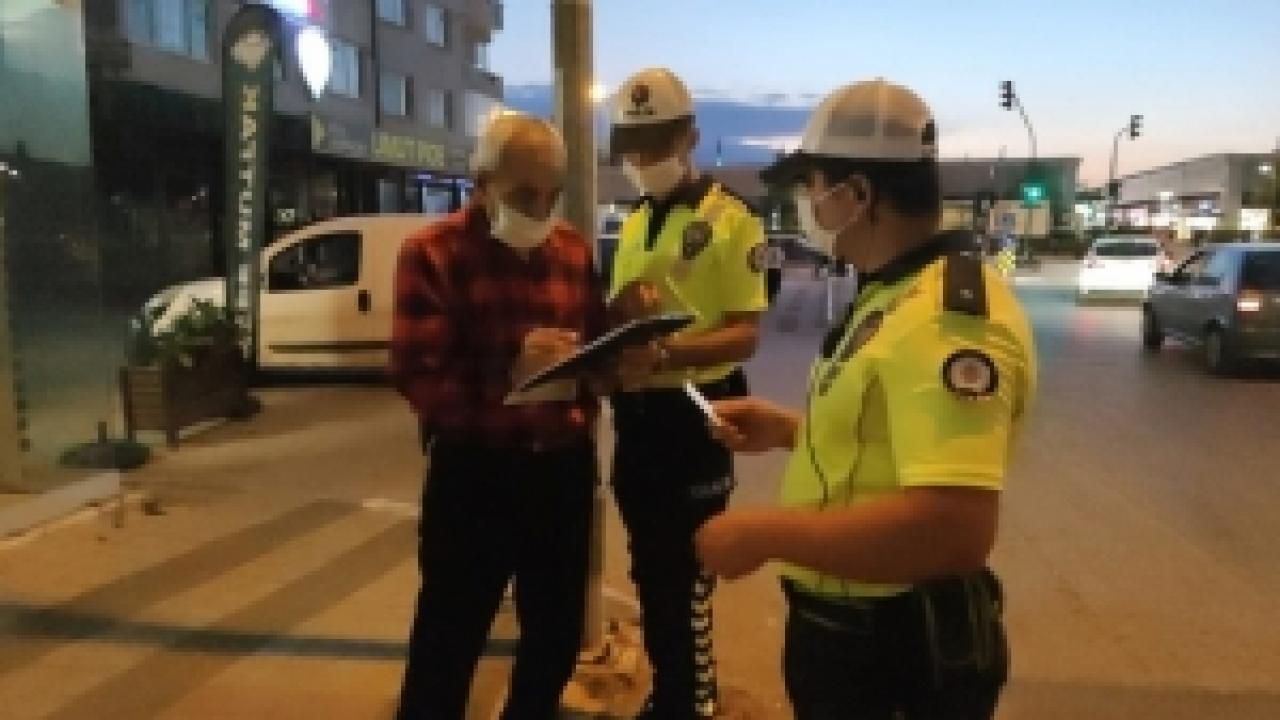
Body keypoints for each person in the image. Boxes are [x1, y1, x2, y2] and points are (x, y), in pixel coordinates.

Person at [694, 79, 1038, 719]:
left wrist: (764, 534)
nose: (804, 203)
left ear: (857, 195)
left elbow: (952, 530)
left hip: (898, 652)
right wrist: (789, 430)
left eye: (811, 185)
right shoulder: (892, 291)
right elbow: (886, 438)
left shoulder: (945, 318)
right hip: (858, 640)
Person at [391, 111, 605, 720]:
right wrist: (509, 373)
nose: (540, 211)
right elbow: (416, 374)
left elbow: (593, 347)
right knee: (448, 641)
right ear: (481, 184)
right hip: (475, 472)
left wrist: (614, 364)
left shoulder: (571, 250)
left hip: (561, 470)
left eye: (551, 196)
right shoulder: (433, 253)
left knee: (555, 636)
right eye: (523, 196)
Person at [605, 66, 767, 719]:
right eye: (633, 146)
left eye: (658, 144)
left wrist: (668, 353)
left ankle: (692, 700)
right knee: (650, 570)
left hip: (698, 413)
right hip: (639, 418)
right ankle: (671, 693)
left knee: (689, 575)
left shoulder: (731, 221)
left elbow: (745, 334)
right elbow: (624, 313)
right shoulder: (634, 221)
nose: (643, 160)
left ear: (691, 138)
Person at [764, 240, 787, 304]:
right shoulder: (776, 250)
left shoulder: (767, 250)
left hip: (771, 270)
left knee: (771, 284)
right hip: (774, 270)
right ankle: (771, 297)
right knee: (773, 284)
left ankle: (770, 297)